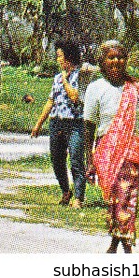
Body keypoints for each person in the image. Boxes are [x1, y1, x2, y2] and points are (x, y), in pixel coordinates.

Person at [83, 40, 139, 253]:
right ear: (102, 62)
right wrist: (90, 160)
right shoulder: (95, 89)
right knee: (114, 197)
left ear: (126, 61)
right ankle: (116, 241)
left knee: (126, 194)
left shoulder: (136, 88)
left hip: (132, 148)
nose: (116, 61)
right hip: (106, 150)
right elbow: (89, 126)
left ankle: (125, 245)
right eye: (111, 57)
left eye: (120, 57)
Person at [30, 40, 88, 208]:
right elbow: (50, 101)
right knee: (57, 160)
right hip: (56, 122)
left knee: (76, 160)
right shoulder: (56, 78)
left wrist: (65, 80)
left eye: (60, 56)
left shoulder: (81, 76)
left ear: (68, 57)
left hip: (75, 123)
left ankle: (78, 197)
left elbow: (75, 97)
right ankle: (65, 190)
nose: (57, 59)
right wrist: (38, 124)